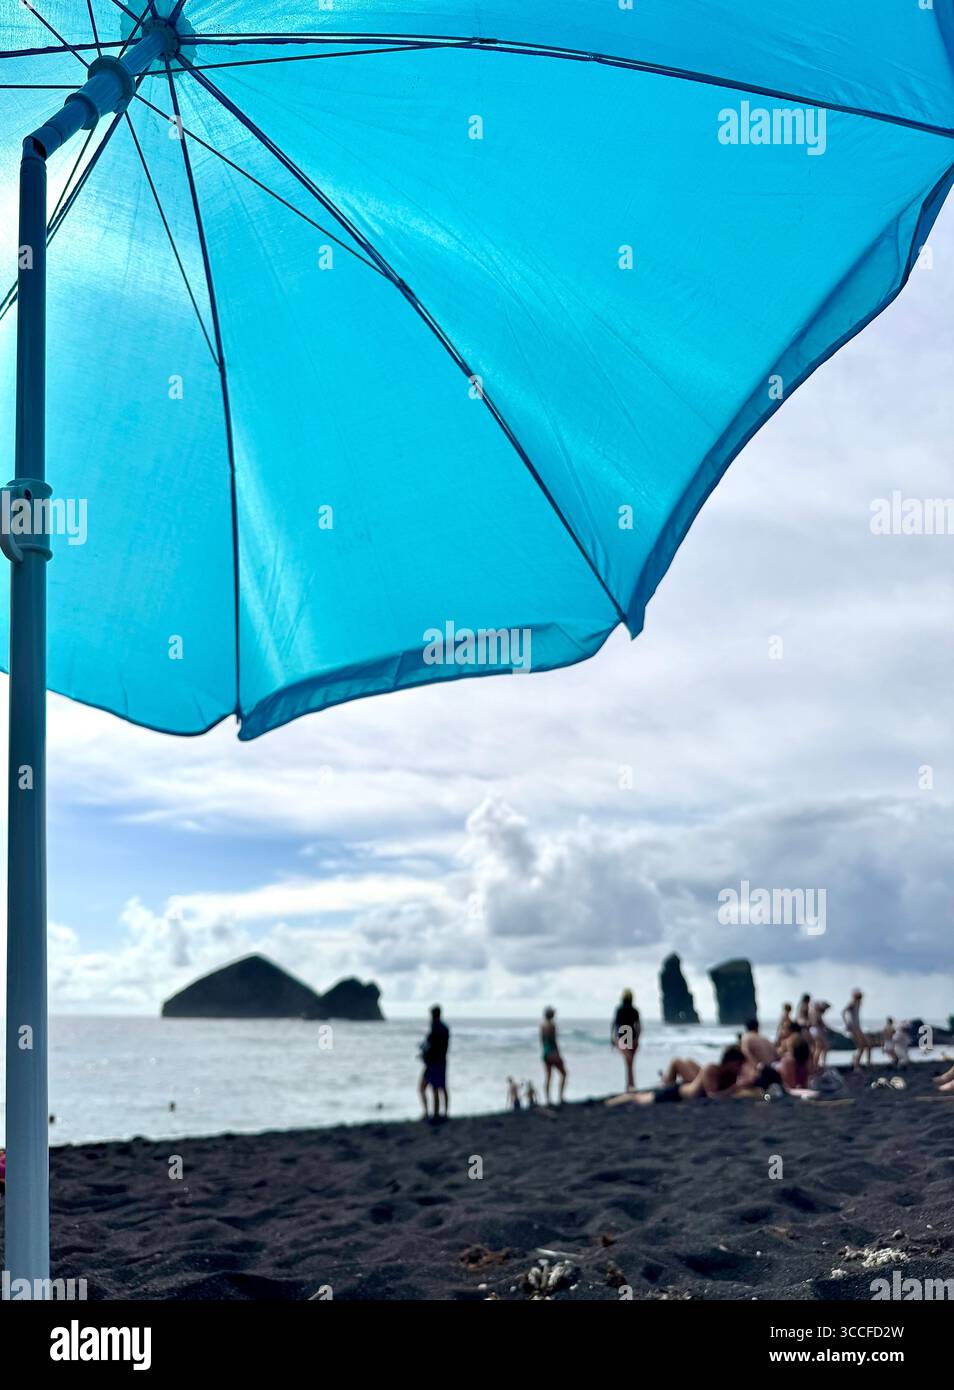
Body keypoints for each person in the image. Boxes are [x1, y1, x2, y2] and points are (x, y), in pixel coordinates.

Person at [608, 1046, 747, 1105]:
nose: (739, 1069)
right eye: (738, 1065)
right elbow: (713, 1096)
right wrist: (736, 1088)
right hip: (676, 1093)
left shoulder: (730, 1075)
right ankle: (611, 1102)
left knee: (643, 1096)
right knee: (639, 1099)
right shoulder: (711, 1069)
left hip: (682, 1092)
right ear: (729, 1062)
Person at [419, 1004, 449, 1121]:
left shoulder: (435, 1028)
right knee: (442, 1087)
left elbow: (430, 1046)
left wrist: (424, 1055)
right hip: (442, 1061)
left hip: (433, 1062)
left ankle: (432, 1113)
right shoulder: (445, 1028)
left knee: (430, 1088)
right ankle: (444, 1113)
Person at [611, 988, 641, 1091]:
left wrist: (613, 1039)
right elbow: (638, 1026)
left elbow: (615, 1025)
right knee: (630, 1063)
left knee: (628, 1063)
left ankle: (629, 1086)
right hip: (631, 1034)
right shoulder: (634, 1010)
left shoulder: (620, 1010)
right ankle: (630, 1085)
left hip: (624, 1034)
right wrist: (637, 1038)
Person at [740, 1017, 780, 1087]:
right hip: (773, 1073)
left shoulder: (746, 1037)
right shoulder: (766, 1039)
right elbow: (777, 1056)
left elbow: (745, 1053)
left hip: (760, 1075)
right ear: (757, 1027)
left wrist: (757, 1066)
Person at [540, 1006, 567, 1104]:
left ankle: (548, 1099)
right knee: (564, 1074)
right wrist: (558, 1054)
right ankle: (561, 1097)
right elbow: (554, 1041)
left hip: (545, 1052)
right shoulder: (552, 1026)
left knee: (548, 1076)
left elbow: (542, 1042)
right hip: (553, 1052)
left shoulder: (542, 1025)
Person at [842, 989, 867, 1070]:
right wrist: (847, 1024)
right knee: (860, 1045)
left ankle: (856, 1061)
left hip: (857, 1026)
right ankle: (856, 1064)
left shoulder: (858, 1003)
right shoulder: (852, 1002)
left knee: (864, 1045)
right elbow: (843, 1012)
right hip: (854, 1027)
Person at [808, 999, 831, 1069]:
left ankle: (817, 1064)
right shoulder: (816, 1012)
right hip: (817, 1030)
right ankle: (818, 1064)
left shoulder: (812, 1012)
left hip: (814, 1030)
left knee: (819, 1048)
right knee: (821, 1047)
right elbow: (818, 1022)